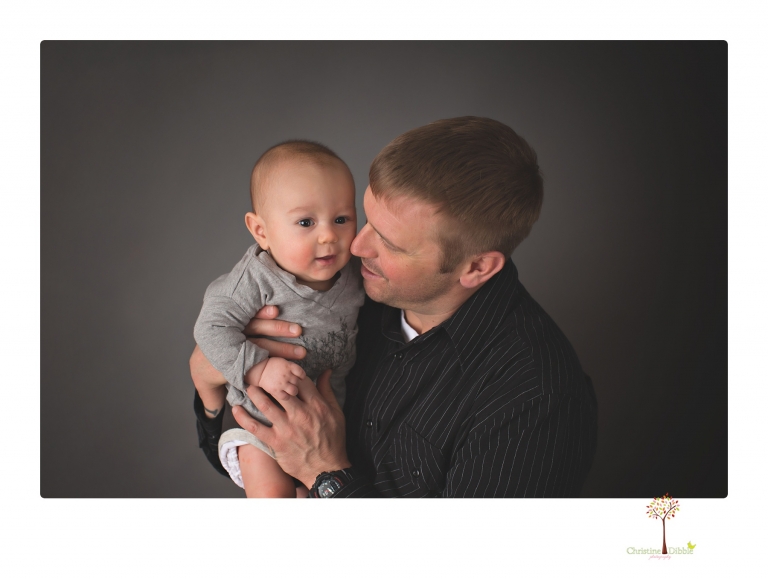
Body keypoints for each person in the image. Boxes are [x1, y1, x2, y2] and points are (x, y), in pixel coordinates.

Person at [191, 116, 598, 497]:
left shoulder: (534, 400)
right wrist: (210, 387)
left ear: (476, 267)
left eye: (390, 242)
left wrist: (326, 474)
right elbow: (253, 452)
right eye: (364, 220)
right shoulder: (355, 291)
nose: (355, 246)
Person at [191, 140, 364, 498]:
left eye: (342, 219)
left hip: (327, 424)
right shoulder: (255, 279)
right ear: (261, 231)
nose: (329, 235)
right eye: (305, 222)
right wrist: (259, 369)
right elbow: (210, 327)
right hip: (259, 420)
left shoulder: (356, 272)